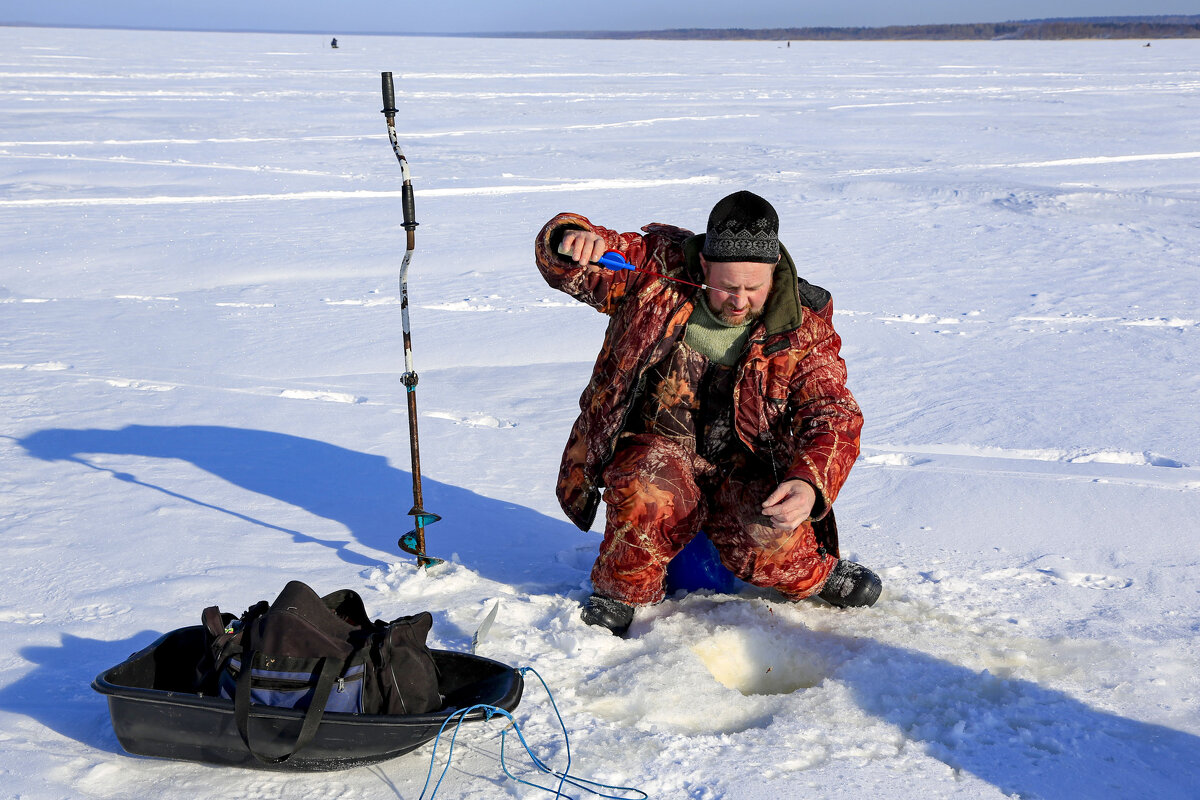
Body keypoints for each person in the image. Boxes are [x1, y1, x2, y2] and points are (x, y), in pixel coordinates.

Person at [535, 191, 882, 636]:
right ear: (703, 265)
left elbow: (833, 412)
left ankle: (815, 572)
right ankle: (620, 591)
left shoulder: (803, 326)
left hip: (746, 469)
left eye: (754, 289)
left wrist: (809, 483)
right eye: (727, 287)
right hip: (658, 449)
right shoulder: (655, 270)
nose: (739, 301)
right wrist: (569, 239)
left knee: (771, 539)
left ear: (774, 270)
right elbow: (579, 264)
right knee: (646, 487)